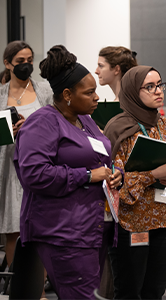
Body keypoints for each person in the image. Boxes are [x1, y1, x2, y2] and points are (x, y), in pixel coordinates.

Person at [13, 45, 123, 300]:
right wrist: (86, 175)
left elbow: (102, 159)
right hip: (63, 232)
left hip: (93, 228)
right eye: (90, 92)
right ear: (67, 94)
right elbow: (34, 175)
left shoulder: (85, 120)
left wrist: (115, 173)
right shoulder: (43, 123)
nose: (97, 97)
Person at [104, 65, 166, 300]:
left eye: (160, 84)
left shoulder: (163, 125)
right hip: (131, 225)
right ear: (132, 91)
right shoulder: (118, 128)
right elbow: (114, 184)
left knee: (155, 292)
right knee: (130, 293)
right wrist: (155, 174)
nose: (158, 91)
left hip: (164, 221)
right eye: (149, 87)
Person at [0, 41, 52, 270]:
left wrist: (30, 126)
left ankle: (39, 288)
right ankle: (19, 286)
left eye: (29, 60)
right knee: (13, 228)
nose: (26, 65)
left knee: (40, 228)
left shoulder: (45, 91)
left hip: (39, 165)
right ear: (7, 64)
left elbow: (57, 123)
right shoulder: (1, 94)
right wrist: (6, 131)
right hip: (9, 169)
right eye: (20, 61)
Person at [94, 45, 137, 299]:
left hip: (128, 188)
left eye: (101, 65)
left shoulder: (130, 106)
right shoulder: (109, 104)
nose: (96, 70)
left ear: (116, 69)